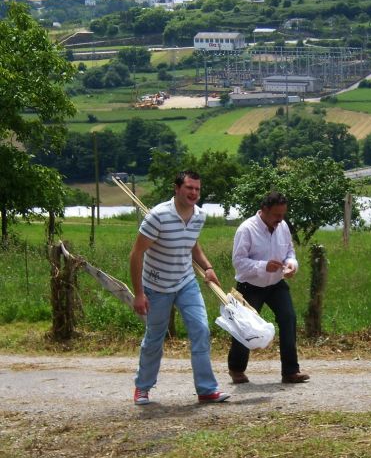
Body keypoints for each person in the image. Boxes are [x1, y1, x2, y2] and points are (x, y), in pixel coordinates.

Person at [130, 170, 230, 405]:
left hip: (186, 282)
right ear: (177, 188)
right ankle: (142, 388)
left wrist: (208, 267)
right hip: (156, 286)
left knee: (201, 330)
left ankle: (206, 390)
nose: (194, 193)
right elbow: (136, 255)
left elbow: (192, 244)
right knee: (155, 337)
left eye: (197, 189)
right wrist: (139, 293)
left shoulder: (199, 216)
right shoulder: (158, 216)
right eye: (189, 188)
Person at [228, 191, 310, 384]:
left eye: (283, 215)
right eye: (276, 215)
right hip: (250, 286)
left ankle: (290, 371)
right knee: (244, 327)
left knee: (288, 319)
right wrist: (263, 265)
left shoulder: (282, 226)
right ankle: (236, 369)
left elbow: (290, 251)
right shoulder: (246, 229)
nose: (280, 220)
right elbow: (238, 262)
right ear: (264, 210)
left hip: (276, 283)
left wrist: (292, 265)